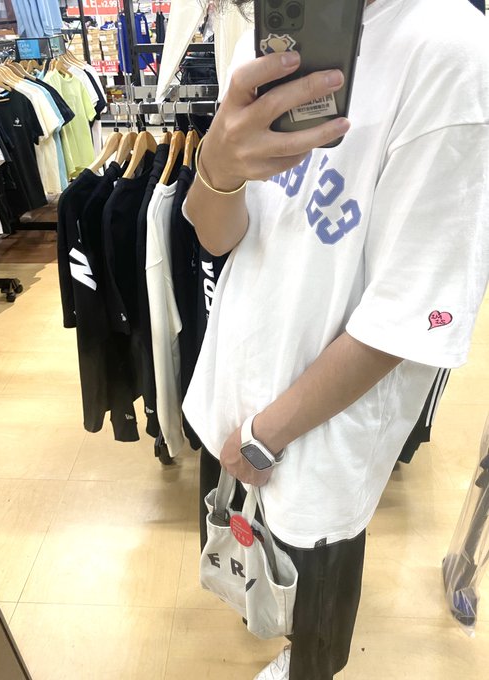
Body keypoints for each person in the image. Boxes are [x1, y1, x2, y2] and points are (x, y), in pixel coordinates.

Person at [182, 0, 489, 677]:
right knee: (254, 563)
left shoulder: (452, 51)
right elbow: (218, 237)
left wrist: (265, 434)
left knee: (317, 602)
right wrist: (216, 165)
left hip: (316, 428)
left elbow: (407, 316)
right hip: (234, 382)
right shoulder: (272, 25)